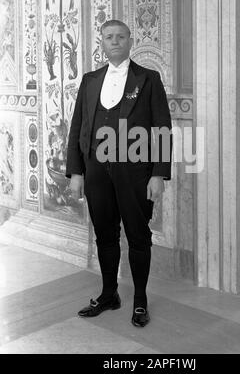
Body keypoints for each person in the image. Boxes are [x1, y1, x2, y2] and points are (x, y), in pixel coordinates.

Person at [65, 19, 172, 327]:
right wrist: (76, 172)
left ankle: (140, 301)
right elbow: (77, 128)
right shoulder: (89, 80)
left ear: (130, 41)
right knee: (105, 234)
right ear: (102, 42)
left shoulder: (149, 79)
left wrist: (158, 174)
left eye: (120, 37)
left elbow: (162, 129)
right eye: (109, 37)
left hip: (136, 170)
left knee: (139, 237)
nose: (114, 41)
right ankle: (109, 293)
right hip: (96, 170)